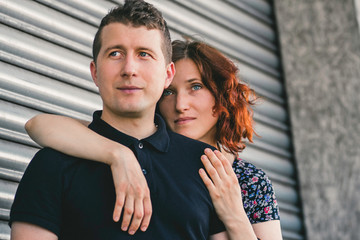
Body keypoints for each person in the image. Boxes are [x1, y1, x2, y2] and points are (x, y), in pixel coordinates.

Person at [9, 1, 231, 239]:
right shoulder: (52, 164)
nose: (129, 69)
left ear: (168, 74)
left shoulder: (206, 165)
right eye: (115, 53)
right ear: (95, 72)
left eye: (144, 54)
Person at [24, 37, 282, 240]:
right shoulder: (137, 151)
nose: (181, 105)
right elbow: (39, 125)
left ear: (221, 95)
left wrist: (235, 214)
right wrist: (118, 154)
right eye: (169, 92)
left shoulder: (249, 180)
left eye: (196, 87)